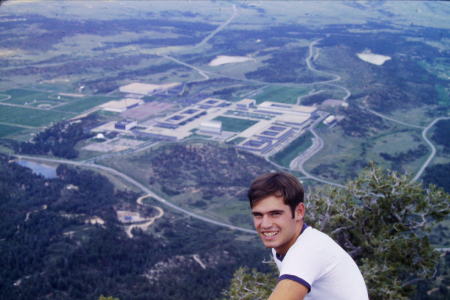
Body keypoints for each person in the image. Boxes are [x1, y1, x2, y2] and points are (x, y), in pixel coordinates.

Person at [248, 171, 368, 300]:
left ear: (299, 212)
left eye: (275, 213)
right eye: (258, 215)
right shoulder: (284, 243)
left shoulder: (308, 250)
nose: (265, 224)